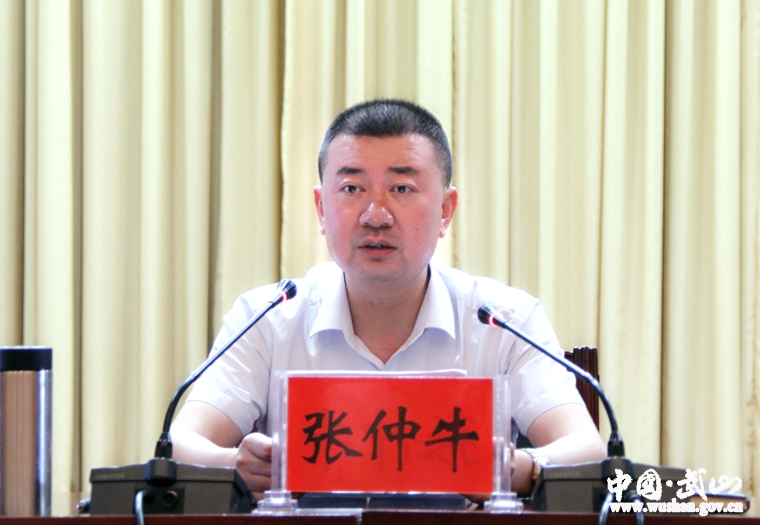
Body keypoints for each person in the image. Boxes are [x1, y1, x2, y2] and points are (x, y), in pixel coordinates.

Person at [170, 99, 606, 499]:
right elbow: (182, 444)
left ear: (445, 210)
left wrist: (520, 468)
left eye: (401, 189)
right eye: (352, 189)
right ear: (321, 209)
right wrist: (235, 465)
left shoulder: (503, 319)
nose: (375, 215)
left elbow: (585, 449)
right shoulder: (268, 317)